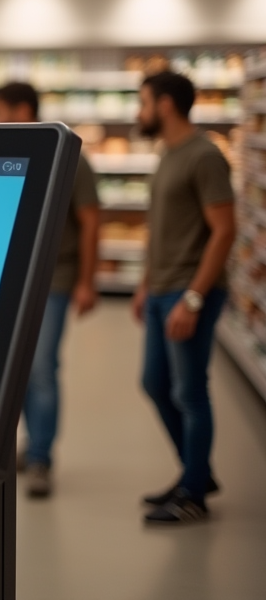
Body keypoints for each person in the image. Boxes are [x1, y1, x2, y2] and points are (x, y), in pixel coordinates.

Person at [134, 71, 235, 524]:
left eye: (143, 103)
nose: (139, 112)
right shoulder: (168, 153)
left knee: (190, 392)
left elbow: (224, 230)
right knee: (155, 384)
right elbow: (161, 227)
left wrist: (193, 299)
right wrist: (145, 284)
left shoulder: (204, 156)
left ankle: (193, 494)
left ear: (165, 104)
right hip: (161, 288)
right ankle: (197, 473)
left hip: (189, 291)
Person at [0, 82, 100, 499]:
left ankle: (41, 458)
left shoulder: (69, 155)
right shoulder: (6, 155)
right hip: (12, 280)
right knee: (13, 368)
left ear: (23, 111)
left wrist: (87, 281)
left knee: (40, 369)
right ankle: (28, 442)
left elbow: (90, 221)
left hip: (54, 279)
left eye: (1, 111)